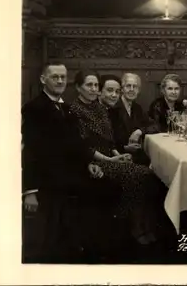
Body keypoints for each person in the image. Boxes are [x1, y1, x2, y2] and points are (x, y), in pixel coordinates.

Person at [21, 64, 120, 263]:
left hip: (71, 174)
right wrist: (30, 191)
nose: (59, 81)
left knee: (110, 186)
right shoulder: (34, 109)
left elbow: (76, 144)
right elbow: (30, 151)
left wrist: (88, 164)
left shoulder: (66, 108)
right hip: (49, 180)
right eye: (55, 77)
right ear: (43, 79)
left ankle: (95, 250)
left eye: (63, 77)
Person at [70, 70, 171, 249]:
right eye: (90, 86)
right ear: (78, 88)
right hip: (94, 163)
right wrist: (112, 159)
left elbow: (109, 141)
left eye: (95, 86)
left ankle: (140, 226)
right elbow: (84, 147)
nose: (94, 89)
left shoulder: (98, 108)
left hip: (109, 158)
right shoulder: (75, 110)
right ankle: (132, 227)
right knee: (144, 175)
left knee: (149, 175)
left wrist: (118, 155)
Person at [105, 73, 155, 165]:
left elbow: (155, 125)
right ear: (122, 89)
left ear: (138, 90)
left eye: (135, 87)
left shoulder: (137, 108)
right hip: (117, 157)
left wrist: (139, 131)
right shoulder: (113, 106)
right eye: (128, 86)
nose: (131, 89)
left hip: (135, 156)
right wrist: (125, 148)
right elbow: (107, 140)